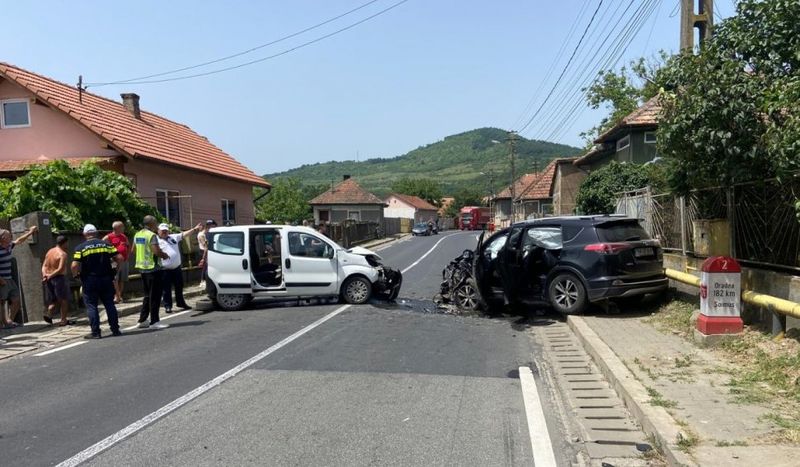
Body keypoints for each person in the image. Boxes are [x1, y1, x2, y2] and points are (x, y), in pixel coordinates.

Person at [71, 224, 122, 339]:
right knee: (109, 303)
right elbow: (119, 258)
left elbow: (74, 265)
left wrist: (76, 275)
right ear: (96, 233)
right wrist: (116, 271)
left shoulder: (80, 247)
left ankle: (96, 333)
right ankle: (115, 329)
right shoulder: (106, 245)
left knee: (91, 306)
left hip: (89, 280)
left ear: (84, 234)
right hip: (106, 279)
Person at [133, 215, 169, 329]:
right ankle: (154, 322)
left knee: (147, 295)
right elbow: (156, 251)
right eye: (155, 223)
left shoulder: (137, 234)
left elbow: (133, 250)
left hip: (142, 269)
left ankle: (142, 320)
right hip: (153, 268)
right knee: (155, 296)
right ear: (151, 224)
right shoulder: (151, 235)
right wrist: (164, 255)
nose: (157, 225)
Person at [158, 222, 202, 313]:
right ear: (158, 231)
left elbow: (184, 234)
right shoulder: (156, 241)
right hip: (164, 269)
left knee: (179, 286)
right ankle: (168, 306)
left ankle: (180, 303)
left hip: (176, 268)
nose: (164, 232)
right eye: (162, 231)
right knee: (166, 289)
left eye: (166, 230)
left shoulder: (173, 237)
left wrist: (194, 229)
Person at [0, 226, 38, 329]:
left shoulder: (9, 246)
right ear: (3, 238)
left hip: (9, 279)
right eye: (8, 236)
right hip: (2, 280)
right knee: (2, 302)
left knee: (16, 300)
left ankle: (9, 321)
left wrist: (30, 232)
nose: (10, 237)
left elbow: (19, 240)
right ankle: (2, 323)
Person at [42, 235, 75, 326]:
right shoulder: (62, 254)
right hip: (59, 278)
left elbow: (44, 265)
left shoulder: (50, 251)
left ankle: (49, 313)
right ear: (64, 243)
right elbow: (60, 269)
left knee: (53, 299)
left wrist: (45, 275)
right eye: (67, 243)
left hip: (49, 279)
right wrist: (50, 276)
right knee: (64, 299)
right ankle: (63, 320)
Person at [103, 221, 130, 304]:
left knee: (122, 279)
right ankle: (116, 296)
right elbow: (102, 247)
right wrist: (110, 258)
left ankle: (119, 295)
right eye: (122, 227)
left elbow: (128, 246)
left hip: (124, 261)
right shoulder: (108, 237)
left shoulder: (124, 236)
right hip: (114, 262)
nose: (123, 228)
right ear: (116, 228)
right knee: (115, 279)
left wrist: (127, 256)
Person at [197, 219, 217, 288]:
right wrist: (203, 258)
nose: (213, 228)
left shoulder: (206, 234)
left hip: (206, 251)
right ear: (208, 226)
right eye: (212, 226)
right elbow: (205, 247)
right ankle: (202, 281)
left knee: (206, 267)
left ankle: (205, 281)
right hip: (203, 252)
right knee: (204, 268)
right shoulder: (201, 235)